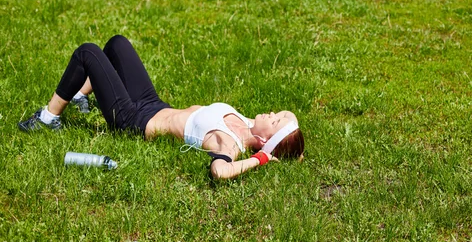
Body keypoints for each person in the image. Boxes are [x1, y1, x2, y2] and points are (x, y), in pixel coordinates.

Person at [18, 35, 304, 179]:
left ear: (266, 140)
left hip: (133, 121)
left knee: (87, 53)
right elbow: (290, 147)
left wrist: (262, 159)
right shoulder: (246, 121)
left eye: (276, 119)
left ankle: (48, 118)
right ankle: (80, 96)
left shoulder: (229, 143)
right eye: (279, 113)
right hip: (153, 103)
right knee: (117, 44)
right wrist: (293, 152)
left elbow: (220, 172)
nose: (272, 112)